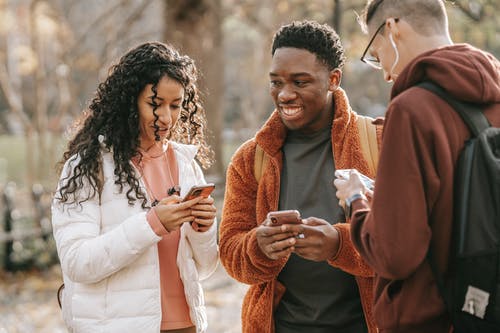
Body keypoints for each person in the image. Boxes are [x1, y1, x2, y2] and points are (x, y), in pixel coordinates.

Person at [334, 1, 500, 332]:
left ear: (393, 28)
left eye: (377, 55)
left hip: (430, 319)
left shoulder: (412, 110)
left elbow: (395, 254)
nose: (384, 73)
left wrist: (356, 200)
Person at [219, 20, 382, 333]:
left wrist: (340, 244)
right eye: (276, 82)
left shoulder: (379, 143)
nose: (285, 94)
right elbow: (230, 251)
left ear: (334, 79)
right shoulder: (250, 159)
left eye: (300, 82)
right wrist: (259, 246)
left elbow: (408, 243)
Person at [51, 41, 218, 333]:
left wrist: (205, 230)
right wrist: (152, 225)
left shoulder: (186, 163)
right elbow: (78, 263)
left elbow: (204, 268)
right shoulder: (88, 167)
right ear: (129, 102)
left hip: (186, 325)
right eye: (155, 104)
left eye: (175, 105)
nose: (166, 117)